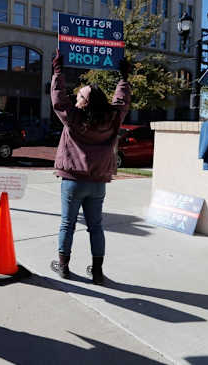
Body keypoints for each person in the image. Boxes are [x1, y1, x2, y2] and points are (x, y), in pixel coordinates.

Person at [49, 50, 132, 284]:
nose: (75, 100)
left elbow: (58, 100)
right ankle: (97, 272)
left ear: (84, 102)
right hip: (97, 183)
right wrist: (123, 78)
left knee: (68, 223)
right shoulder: (113, 118)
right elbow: (121, 102)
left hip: (73, 181)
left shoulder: (74, 118)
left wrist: (58, 72)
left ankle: (63, 267)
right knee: (96, 227)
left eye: (79, 97)